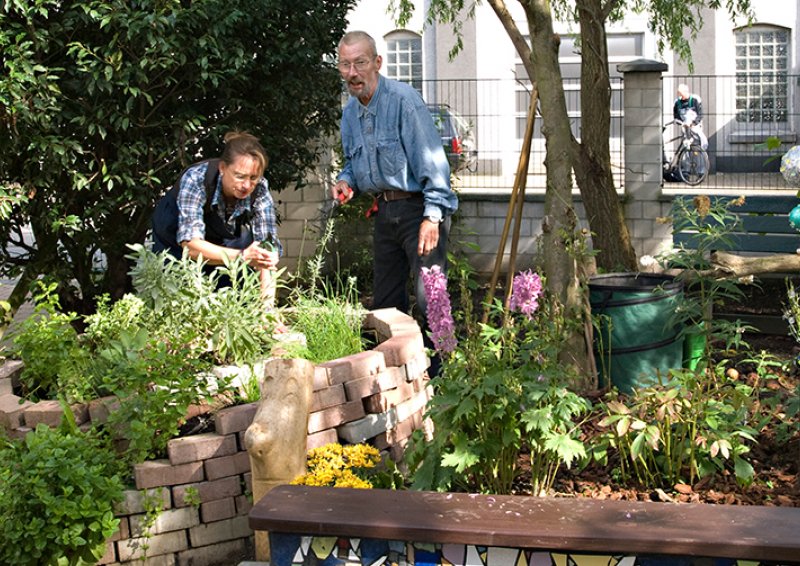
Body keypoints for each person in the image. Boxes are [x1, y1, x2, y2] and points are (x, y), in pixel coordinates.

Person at [332, 30, 458, 376]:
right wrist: (346, 181)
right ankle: (398, 377)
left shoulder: (403, 101)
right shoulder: (349, 115)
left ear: (377, 62)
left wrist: (433, 217)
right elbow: (352, 165)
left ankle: (445, 377)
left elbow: (433, 162)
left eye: (360, 63)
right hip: (385, 211)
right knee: (386, 303)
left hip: (420, 211)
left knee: (429, 296)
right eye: (345, 65)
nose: (353, 72)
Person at [151, 130, 281, 299]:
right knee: (175, 289)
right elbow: (190, 247)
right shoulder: (196, 179)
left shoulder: (261, 189)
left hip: (219, 229)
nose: (247, 185)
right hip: (174, 232)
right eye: (239, 176)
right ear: (222, 168)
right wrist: (242, 256)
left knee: (232, 291)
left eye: (253, 177)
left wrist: (267, 312)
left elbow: (266, 250)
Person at [673, 83, 708, 150]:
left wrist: (694, 123)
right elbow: (676, 116)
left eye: (681, 94)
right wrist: (681, 123)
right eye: (679, 94)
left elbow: (700, 114)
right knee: (686, 146)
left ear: (686, 92)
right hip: (684, 127)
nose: (681, 96)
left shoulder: (695, 100)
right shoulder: (677, 103)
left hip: (695, 126)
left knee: (701, 143)